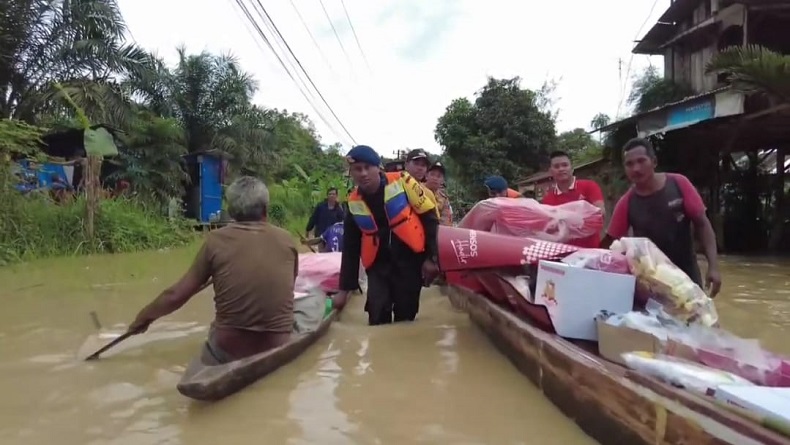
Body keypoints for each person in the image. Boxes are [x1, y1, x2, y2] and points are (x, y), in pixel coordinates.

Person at [126, 176, 329, 364]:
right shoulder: (287, 240)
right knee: (313, 300)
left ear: (231, 212)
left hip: (227, 349)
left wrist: (143, 318)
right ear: (265, 210)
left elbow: (176, 295)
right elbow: (288, 288)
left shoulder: (215, 241)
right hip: (276, 343)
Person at [333, 145, 440, 325]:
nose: (364, 173)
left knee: (405, 318)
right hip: (378, 265)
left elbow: (430, 219)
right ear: (352, 173)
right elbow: (350, 249)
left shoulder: (404, 182)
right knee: (377, 316)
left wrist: (432, 258)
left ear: (378, 168)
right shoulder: (353, 203)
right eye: (358, 169)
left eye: (368, 167)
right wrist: (344, 290)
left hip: (409, 261)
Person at [601, 138, 722, 297]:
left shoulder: (679, 184)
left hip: (687, 278)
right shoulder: (627, 202)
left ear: (654, 162)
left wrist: (713, 267)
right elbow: (608, 244)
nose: (636, 168)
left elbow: (703, 224)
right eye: (629, 164)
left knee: (697, 319)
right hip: (650, 284)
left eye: (641, 161)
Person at [541, 150, 605, 248]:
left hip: (591, 251)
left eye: (565, 165)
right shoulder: (547, 200)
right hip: (563, 254)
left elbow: (600, 215)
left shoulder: (589, 186)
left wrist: (565, 223)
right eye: (556, 166)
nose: (561, 169)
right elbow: (549, 229)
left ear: (572, 168)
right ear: (551, 172)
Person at [424, 161, 453, 226]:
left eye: (439, 176)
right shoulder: (417, 189)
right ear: (426, 176)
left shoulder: (443, 199)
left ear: (442, 180)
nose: (435, 178)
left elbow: (446, 221)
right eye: (432, 174)